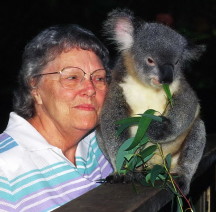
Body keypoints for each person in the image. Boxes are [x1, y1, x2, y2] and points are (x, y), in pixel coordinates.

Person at [0, 24, 113, 211]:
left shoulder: (102, 146)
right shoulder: (5, 169)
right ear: (34, 88)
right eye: (72, 77)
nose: (90, 89)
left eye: (99, 78)